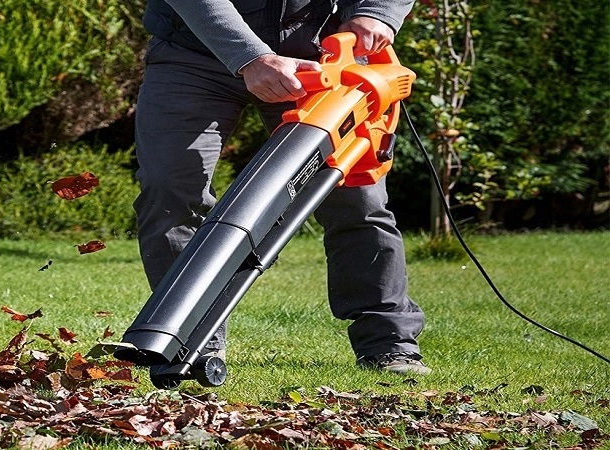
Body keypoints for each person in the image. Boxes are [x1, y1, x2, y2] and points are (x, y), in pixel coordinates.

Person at [133, 0, 431, 376]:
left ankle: (390, 343)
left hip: (320, 57)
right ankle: (189, 344)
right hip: (195, 54)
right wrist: (249, 57)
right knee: (169, 190)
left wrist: (376, 11)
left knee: (356, 197)